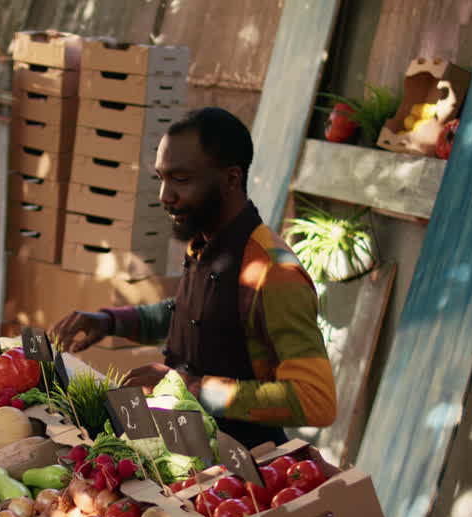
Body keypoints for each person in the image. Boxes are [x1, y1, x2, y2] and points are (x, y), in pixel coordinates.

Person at [52, 107, 337, 449]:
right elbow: (192, 315)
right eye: (161, 178)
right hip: (187, 450)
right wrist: (109, 321)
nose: (165, 196)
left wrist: (189, 387)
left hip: (242, 471)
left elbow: (316, 400)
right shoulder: (204, 243)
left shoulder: (274, 272)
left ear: (231, 179)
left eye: (181, 180)